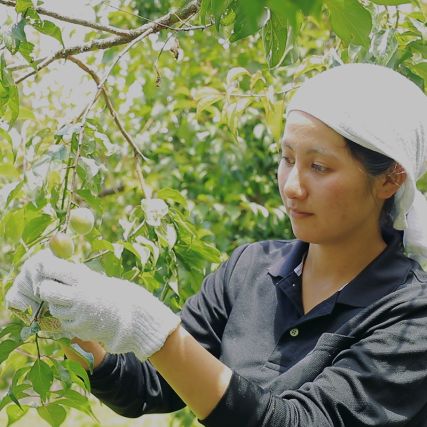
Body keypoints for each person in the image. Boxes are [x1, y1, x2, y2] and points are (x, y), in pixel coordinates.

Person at [5, 63, 427, 426]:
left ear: (390, 178)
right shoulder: (250, 268)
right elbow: (150, 386)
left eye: (319, 166)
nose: (292, 186)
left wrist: (154, 331)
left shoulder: (409, 316)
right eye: (286, 159)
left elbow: (300, 420)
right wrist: (66, 323)